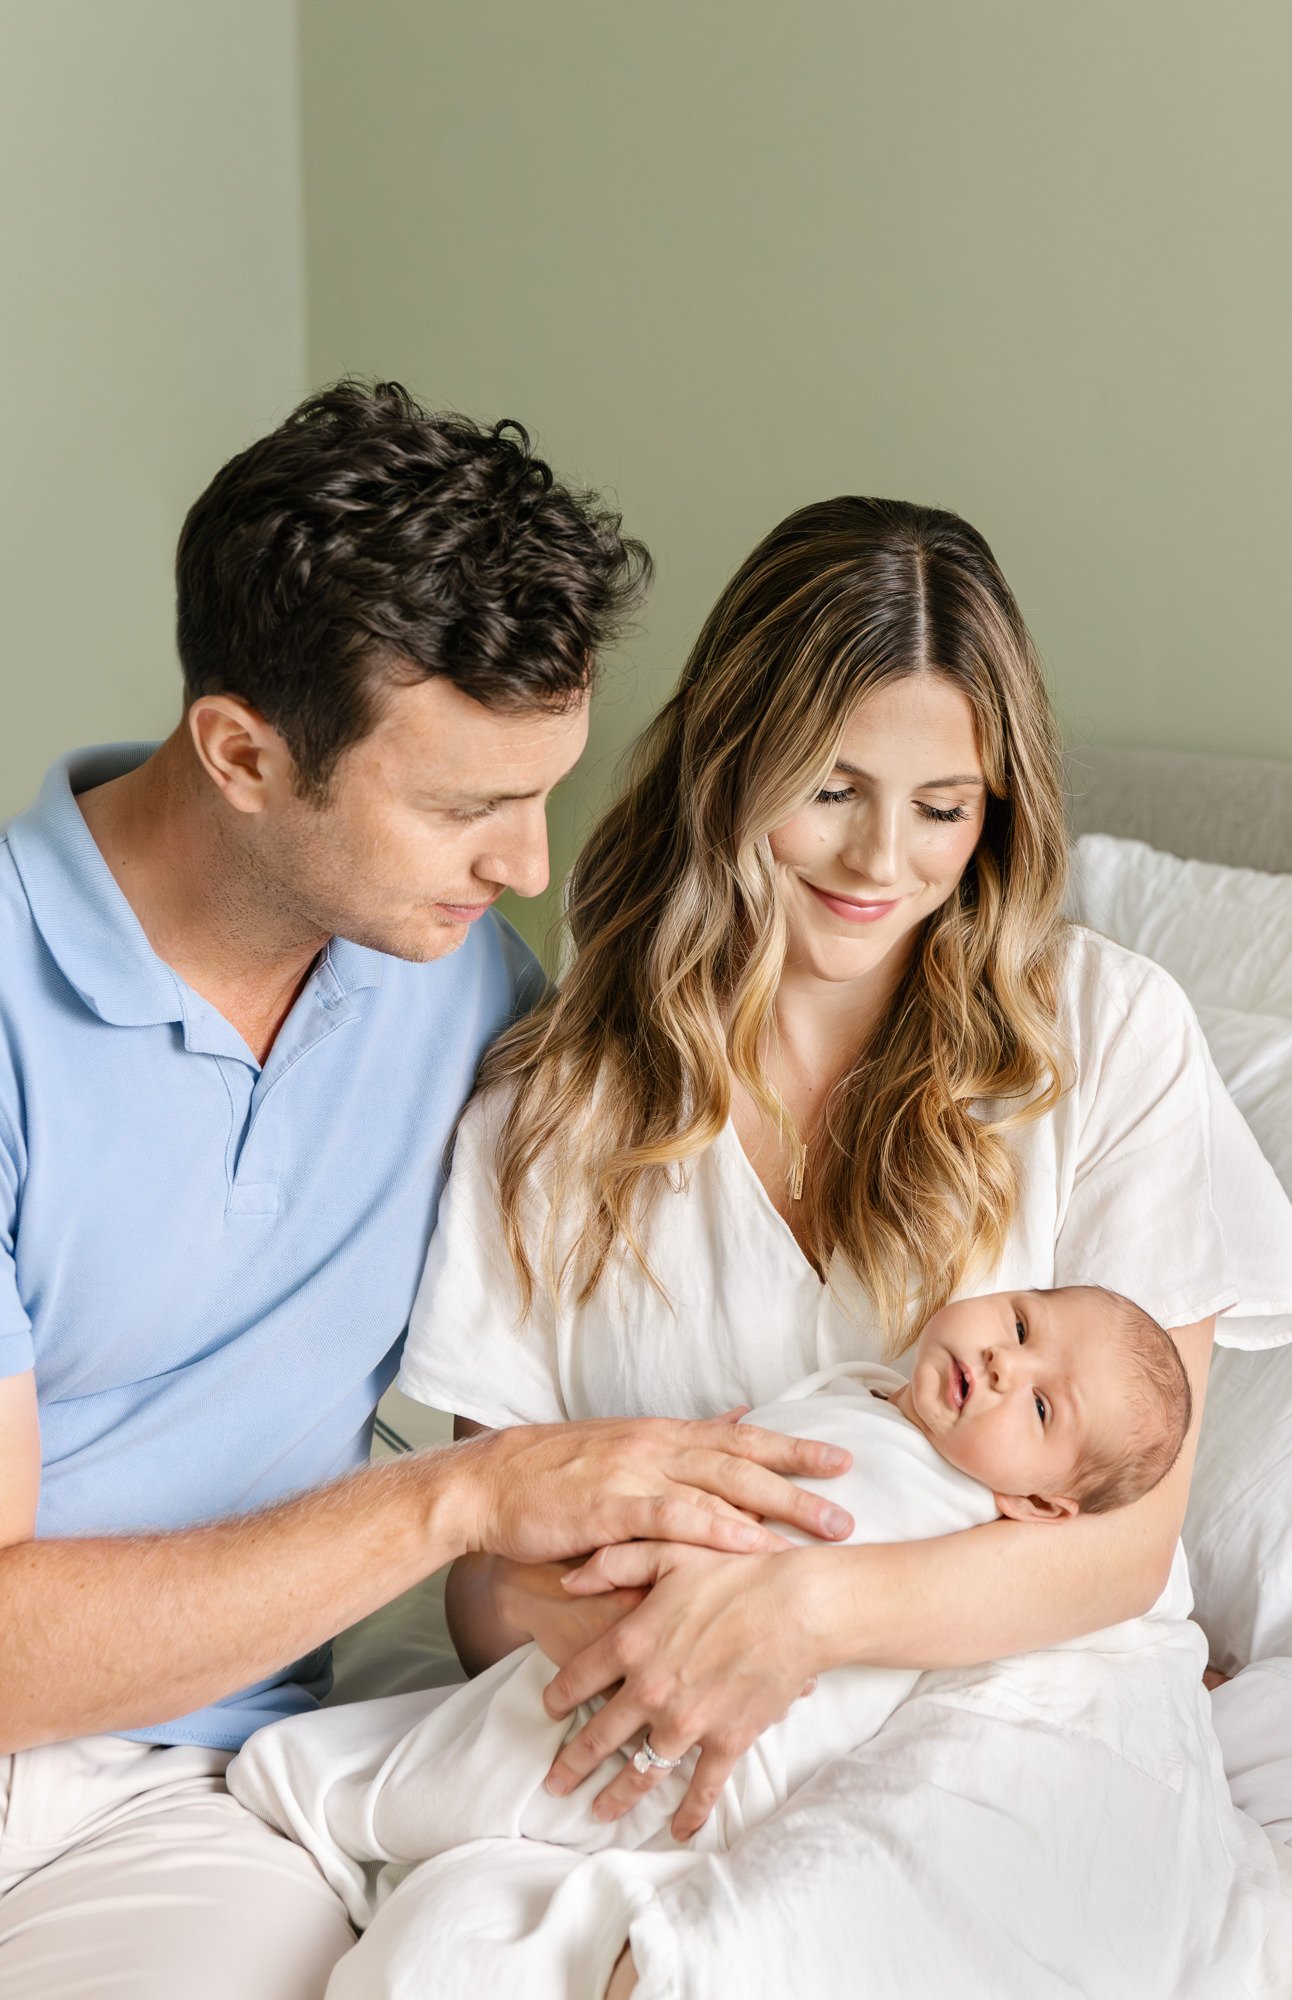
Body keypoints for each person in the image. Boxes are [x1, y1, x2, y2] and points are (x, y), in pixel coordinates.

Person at [391, 496, 1292, 1998]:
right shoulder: (554, 1099)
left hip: (1031, 1706)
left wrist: (806, 1615)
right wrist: (670, 1638)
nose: (880, 858)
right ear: (732, 758)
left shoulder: (1107, 1037)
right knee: (447, 1946)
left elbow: (1125, 1537)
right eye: (829, 787)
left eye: (942, 807)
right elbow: (483, 1579)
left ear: (997, 810)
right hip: (666, 1708)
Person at [0, 383, 855, 2000]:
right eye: (465, 807)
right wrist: (454, 1502)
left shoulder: (466, 996)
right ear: (243, 753)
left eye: (541, 791)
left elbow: (546, 1514)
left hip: (184, 1800)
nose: (526, 865)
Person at [226, 1283, 1195, 1999]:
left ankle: (346, 1801)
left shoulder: (976, 1523)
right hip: (620, 1629)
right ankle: (367, 1810)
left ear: (1039, 1503)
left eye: (1037, 1405)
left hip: (742, 1749)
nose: (1002, 1362)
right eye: (1020, 1323)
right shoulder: (859, 1394)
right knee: (513, 1746)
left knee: (556, 1794)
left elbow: (1081, 1600)